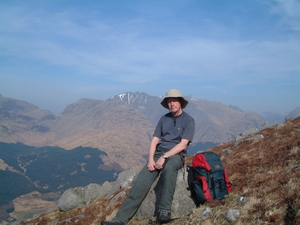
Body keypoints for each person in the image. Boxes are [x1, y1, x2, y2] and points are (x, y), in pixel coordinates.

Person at [101, 89, 195, 225]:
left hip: (175, 154)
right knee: (141, 181)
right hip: (159, 153)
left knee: (169, 170)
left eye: (174, 101)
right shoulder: (164, 119)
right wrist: (151, 159)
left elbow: (183, 145)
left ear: (180, 102)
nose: (171, 104)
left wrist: (164, 156)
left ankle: (164, 211)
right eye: (169, 101)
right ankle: (120, 219)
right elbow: (155, 140)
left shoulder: (188, 121)